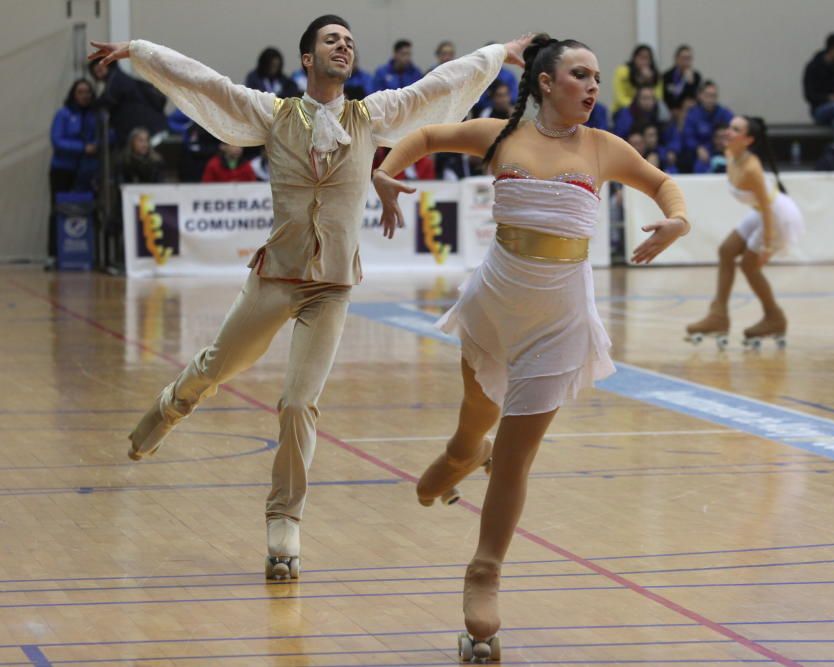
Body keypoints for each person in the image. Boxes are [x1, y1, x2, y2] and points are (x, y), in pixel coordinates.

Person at [89, 16, 530, 580]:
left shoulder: (370, 115)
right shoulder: (273, 115)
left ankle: (284, 522)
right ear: (307, 58)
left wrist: (497, 52)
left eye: (348, 41)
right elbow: (206, 83)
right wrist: (141, 51)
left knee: (299, 403)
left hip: (333, 287)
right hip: (275, 277)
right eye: (331, 40)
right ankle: (175, 402)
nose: (343, 45)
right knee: (214, 367)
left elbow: (438, 86)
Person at [371, 34, 688, 660]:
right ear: (546, 81)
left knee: (515, 459)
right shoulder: (502, 134)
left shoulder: (604, 148)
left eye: (598, 76)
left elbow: (663, 183)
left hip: (559, 323)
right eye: (580, 74)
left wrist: (678, 220)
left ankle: (485, 570)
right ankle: (464, 453)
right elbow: (431, 136)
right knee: (476, 422)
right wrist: (384, 172)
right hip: (494, 306)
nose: (593, 86)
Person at [685, 116, 803, 350]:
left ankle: (774, 318)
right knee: (726, 250)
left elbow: (768, 210)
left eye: (736, 129)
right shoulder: (730, 155)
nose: (728, 132)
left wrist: (768, 246)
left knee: (749, 265)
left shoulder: (752, 168)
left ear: (748, 140)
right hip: (763, 211)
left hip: (778, 217)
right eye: (729, 126)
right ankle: (718, 316)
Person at [48, 79, 100, 268]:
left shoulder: (96, 115)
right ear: (73, 94)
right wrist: (82, 148)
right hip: (63, 169)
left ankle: (87, 253)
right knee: (57, 210)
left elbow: (103, 137)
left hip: (87, 170)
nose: (84, 95)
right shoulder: (63, 114)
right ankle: (54, 254)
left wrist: (95, 147)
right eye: (80, 91)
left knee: (88, 210)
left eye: (87, 92)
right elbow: (57, 141)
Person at [88, 58, 168, 147]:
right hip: (153, 127)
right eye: (96, 72)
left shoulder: (116, 79)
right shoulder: (119, 78)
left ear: (108, 66)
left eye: (100, 69)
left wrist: (92, 104)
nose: (98, 74)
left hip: (146, 131)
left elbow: (108, 100)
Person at [681, 80, 733, 172]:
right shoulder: (693, 114)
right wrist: (697, 148)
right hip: (700, 154)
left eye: (713, 96)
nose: (710, 99)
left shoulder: (724, 113)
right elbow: (688, 136)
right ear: (700, 96)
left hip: (723, 151)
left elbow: (734, 131)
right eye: (707, 95)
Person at [612, 44, 662, 114]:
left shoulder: (654, 74)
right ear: (634, 58)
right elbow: (619, 97)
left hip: (648, 108)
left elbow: (658, 96)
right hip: (625, 108)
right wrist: (636, 106)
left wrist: (649, 81)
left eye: (647, 58)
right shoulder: (622, 71)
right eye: (641, 58)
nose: (644, 62)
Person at [662, 44, 702, 111]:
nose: (686, 62)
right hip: (670, 110)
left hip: (688, 110)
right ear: (676, 59)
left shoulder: (696, 76)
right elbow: (666, 97)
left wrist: (690, 84)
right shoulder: (667, 76)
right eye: (684, 58)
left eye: (689, 58)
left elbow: (693, 98)